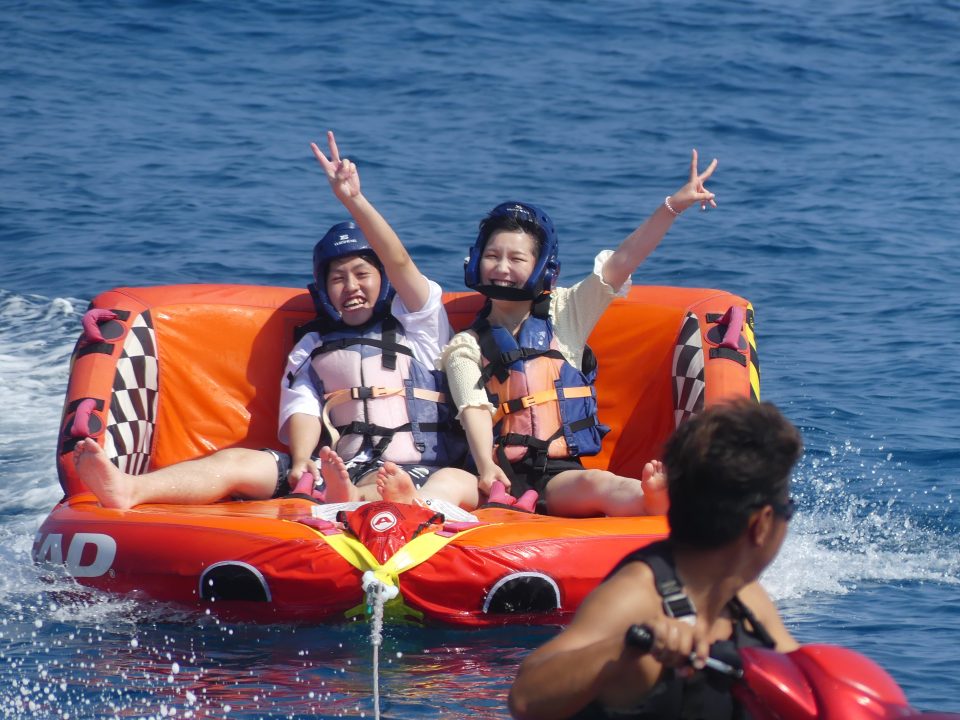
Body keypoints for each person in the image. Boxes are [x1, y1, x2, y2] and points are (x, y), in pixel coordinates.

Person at [74, 131, 479, 514]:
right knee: (236, 462)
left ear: (383, 279)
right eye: (338, 279)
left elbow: (399, 260)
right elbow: (303, 407)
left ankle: (362, 500)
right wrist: (301, 463)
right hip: (339, 468)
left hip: (414, 471)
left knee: (398, 481)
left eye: (362, 274)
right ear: (324, 289)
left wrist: (353, 199)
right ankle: (130, 489)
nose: (351, 287)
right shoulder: (312, 345)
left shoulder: (421, 326)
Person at [439, 150, 717, 517]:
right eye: (493, 256)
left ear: (542, 267)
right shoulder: (465, 345)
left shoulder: (567, 313)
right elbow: (472, 408)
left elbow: (622, 262)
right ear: (477, 259)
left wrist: (672, 206)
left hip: (557, 476)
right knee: (446, 480)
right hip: (489, 476)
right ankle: (403, 515)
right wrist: (487, 469)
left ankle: (650, 500)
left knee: (602, 482)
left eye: (517, 259)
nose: (501, 267)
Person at [507, 399, 803, 720]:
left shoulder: (745, 599)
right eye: (788, 510)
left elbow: (803, 678)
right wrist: (629, 647)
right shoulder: (637, 597)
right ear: (762, 525)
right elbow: (525, 697)